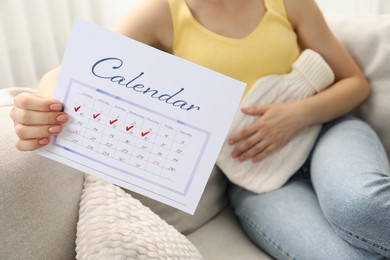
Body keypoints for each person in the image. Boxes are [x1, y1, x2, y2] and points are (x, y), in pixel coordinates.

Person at [10, 0, 390, 258]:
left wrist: (297, 114)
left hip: (329, 132)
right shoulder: (163, 13)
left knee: (360, 205)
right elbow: (72, 68)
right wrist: (44, 102)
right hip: (251, 176)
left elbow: (355, 82)